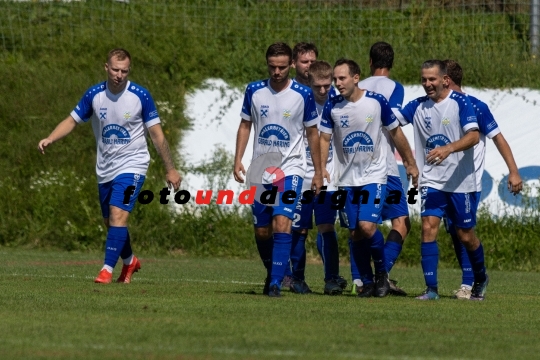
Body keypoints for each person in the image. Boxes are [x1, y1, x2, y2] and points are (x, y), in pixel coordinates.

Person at [38, 48, 182, 284]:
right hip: (105, 168)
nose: (119, 75)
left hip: (133, 164)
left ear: (129, 71)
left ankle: (106, 269)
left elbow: (156, 135)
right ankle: (130, 261)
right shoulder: (94, 95)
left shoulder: (140, 96)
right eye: (115, 69)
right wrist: (51, 138)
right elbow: (72, 120)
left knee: (118, 214)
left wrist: (170, 168)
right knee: (110, 222)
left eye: (124, 71)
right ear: (106, 68)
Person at [319, 58, 418, 298]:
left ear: (356, 77)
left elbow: (395, 132)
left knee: (367, 225)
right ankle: (366, 282)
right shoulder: (332, 105)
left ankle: (381, 274)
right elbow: (323, 139)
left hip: (374, 176)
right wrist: (320, 169)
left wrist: (409, 162)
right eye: (335, 79)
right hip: (345, 180)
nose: (337, 83)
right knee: (354, 232)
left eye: (342, 78)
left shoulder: (376, 102)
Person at [393, 60, 489, 300]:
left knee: (465, 235)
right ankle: (432, 290)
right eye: (424, 79)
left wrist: (449, 148)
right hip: (432, 181)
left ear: (445, 80)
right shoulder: (417, 106)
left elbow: (474, 136)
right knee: (428, 228)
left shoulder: (460, 103)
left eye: (432, 79)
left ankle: (481, 276)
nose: (427, 84)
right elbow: (391, 124)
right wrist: (409, 160)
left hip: (460, 183)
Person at [233, 42, 323, 298]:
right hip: (260, 170)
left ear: (291, 65)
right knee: (262, 231)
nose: (277, 72)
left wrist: (317, 172)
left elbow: (312, 133)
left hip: (291, 168)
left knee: (282, 222)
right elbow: (244, 125)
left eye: (282, 67)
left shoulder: (302, 94)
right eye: (272, 67)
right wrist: (238, 158)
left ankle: (275, 284)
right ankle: (274, 272)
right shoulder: (254, 90)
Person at [443, 59, 522, 299]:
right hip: (444, 182)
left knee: (464, 232)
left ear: (447, 80)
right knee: (455, 232)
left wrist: (514, 171)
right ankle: (470, 280)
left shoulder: (476, 106)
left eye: (437, 78)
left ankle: (473, 281)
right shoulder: (438, 106)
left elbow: (498, 138)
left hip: (469, 182)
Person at [349, 41, 409, 296]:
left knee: (359, 228)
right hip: (385, 166)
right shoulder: (395, 88)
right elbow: (392, 123)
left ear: (370, 62)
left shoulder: (357, 86)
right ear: (391, 64)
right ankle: (381, 275)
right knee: (402, 222)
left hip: (354, 164)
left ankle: (360, 280)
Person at [289, 60, 347, 295]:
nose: (323, 90)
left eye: (326, 85)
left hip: (329, 180)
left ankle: (331, 279)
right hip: (301, 176)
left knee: (326, 227)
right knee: (300, 229)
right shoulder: (301, 101)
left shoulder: (339, 103)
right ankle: (297, 279)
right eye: (317, 86)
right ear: (309, 82)